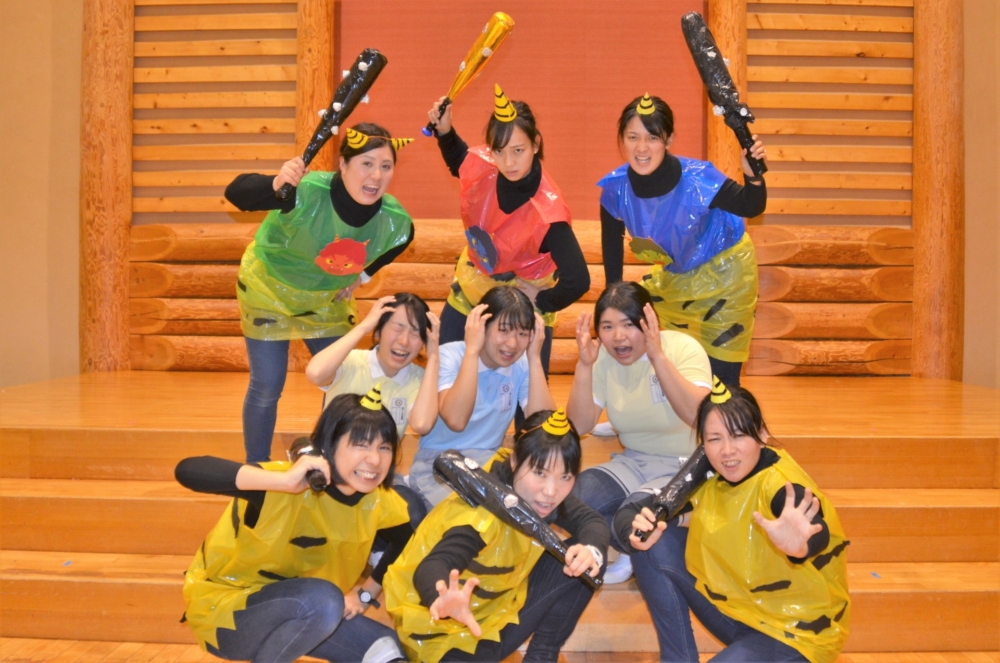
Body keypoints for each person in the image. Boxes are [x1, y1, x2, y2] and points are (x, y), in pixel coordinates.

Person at [176, 388, 417, 663]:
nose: (375, 460)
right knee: (324, 602)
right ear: (329, 445)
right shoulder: (281, 484)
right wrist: (283, 483)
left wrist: (365, 594)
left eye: (384, 447)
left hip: (309, 611)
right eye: (361, 444)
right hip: (228, 613)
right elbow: (187, 470)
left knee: (391, 651)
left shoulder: (379, 501)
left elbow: (404, 538)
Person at [621, 381, 850, 663]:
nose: (727, 450)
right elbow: (644, 512)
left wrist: (800, 546)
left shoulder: (781, 485)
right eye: (714, 439)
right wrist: (648, 524)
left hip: (794, 632)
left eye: (738, 435)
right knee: (649, 541)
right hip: (736, 609)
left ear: (762, 435)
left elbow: (816, 530)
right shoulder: (713, 475)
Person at [226, 123, 415, 463]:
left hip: (325, 300)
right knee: (267, 384)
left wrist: (363, 275)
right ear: (343, 165)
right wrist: (276, 182)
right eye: (366, 164)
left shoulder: (394, 219)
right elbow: (235, 193)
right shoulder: (306, 191)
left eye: (386, 166)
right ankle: (255, 469)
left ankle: (340, 462)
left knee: (346, 383)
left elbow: (402, 239)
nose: (376, 176)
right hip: (268, 291)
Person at [384, 409, 609, 663]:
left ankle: (542, 657)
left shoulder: (537, 494)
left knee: (588, 561)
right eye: (540, 473)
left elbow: (592, 522)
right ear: (514, 461)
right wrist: (442, 597)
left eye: (565, 477)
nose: (551, 491)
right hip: (442, 633)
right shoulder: (482, 512)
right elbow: (433, 565)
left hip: (497, 617)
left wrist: (592, 550)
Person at [599, 93, 767, 387]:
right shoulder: (615, 189)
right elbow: (612, 250)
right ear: (621, 140)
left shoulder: (699, 179)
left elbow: (751, 206)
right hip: (677, 280)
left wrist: (753, 176)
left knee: (720, 381)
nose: (641, 148)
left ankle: (724, 416)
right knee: (668, 370)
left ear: (669, 140)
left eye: (652, 137)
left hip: (726, 276)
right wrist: (613, 308)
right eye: (633, 137)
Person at [425, 84, 590, 375]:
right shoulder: (487, 165)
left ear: (535, 144)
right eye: (499, 151)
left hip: (520, 308)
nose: (508, 162)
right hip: (472, 287)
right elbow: (461, 163)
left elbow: (578, 280)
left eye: (518, 150)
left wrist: (541, 299)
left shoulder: (549, 214)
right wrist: (445, 131)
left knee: (527, 394)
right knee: (443, 373)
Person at [566, 281, 711, 583]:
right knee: (571, 499)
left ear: (649, 322)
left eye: (628, 324)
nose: (618, 336)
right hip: (633, 461)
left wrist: (657, 357)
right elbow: (579, 425)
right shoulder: (603, 359)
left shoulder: (682, 348)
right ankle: (630, 545)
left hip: (684, 466)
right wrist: (584, 365)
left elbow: (698, 415)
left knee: (630, 518)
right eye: (607, 327)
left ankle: (635, 541)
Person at [408, 286, 555, 509]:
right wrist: (472, 352)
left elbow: (545, 426)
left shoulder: (522, 364)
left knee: (535, 499)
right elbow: (456, 420)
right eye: (504, 330)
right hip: (438, 464)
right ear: (481, 326)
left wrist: (535, 358)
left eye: (523, 334)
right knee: (471, 516)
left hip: (489, 466)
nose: (513, 344)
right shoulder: (450, 355)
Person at [305, 292, 441, 441]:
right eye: (397, 329)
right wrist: (364, 327)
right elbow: (315, 374)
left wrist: (434, 356)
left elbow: (422, 425)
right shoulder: (351, 361)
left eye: (415, 334)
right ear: (378, 332)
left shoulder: (420, 380)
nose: (404, 341)